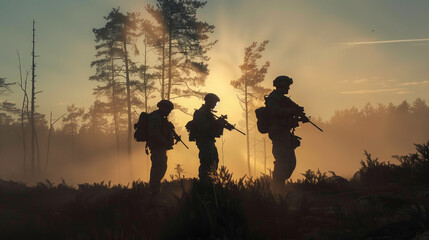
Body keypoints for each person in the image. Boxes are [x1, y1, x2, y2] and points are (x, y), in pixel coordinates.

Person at [265, 76, 309, 191]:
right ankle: (277, 187)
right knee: (282, 160)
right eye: (287, 86)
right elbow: (274, 111)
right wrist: (292, 111)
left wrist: (299, 113)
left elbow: (294, 108)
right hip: (278, 132)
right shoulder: (274, 97)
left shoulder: (282, 98)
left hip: (284, 132)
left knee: (289, 161)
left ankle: (279, 185)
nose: (288, 88)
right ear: (281, 85)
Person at [191, 93, 233, 182]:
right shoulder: (202, 113)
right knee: (206, 162)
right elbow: (201, 127)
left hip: (209, 141)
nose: (215, 105)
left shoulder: (207, 112)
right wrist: (216, 122)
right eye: (214, 103)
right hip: (204, 141)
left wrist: (221, 123)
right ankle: (204, 182)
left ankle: (210, 181)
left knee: (214, 161)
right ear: (209, 102)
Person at [147, 99, 175, 194]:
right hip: (157, 147)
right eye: (168, 109)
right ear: (162, 108)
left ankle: (154, 190)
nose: (169, 112)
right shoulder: (156, 118)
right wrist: (166, 142)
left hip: (160, 147)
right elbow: (154, 134)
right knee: (159, 168)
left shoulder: (160, 118)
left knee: (160, 167)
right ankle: (154, 191)